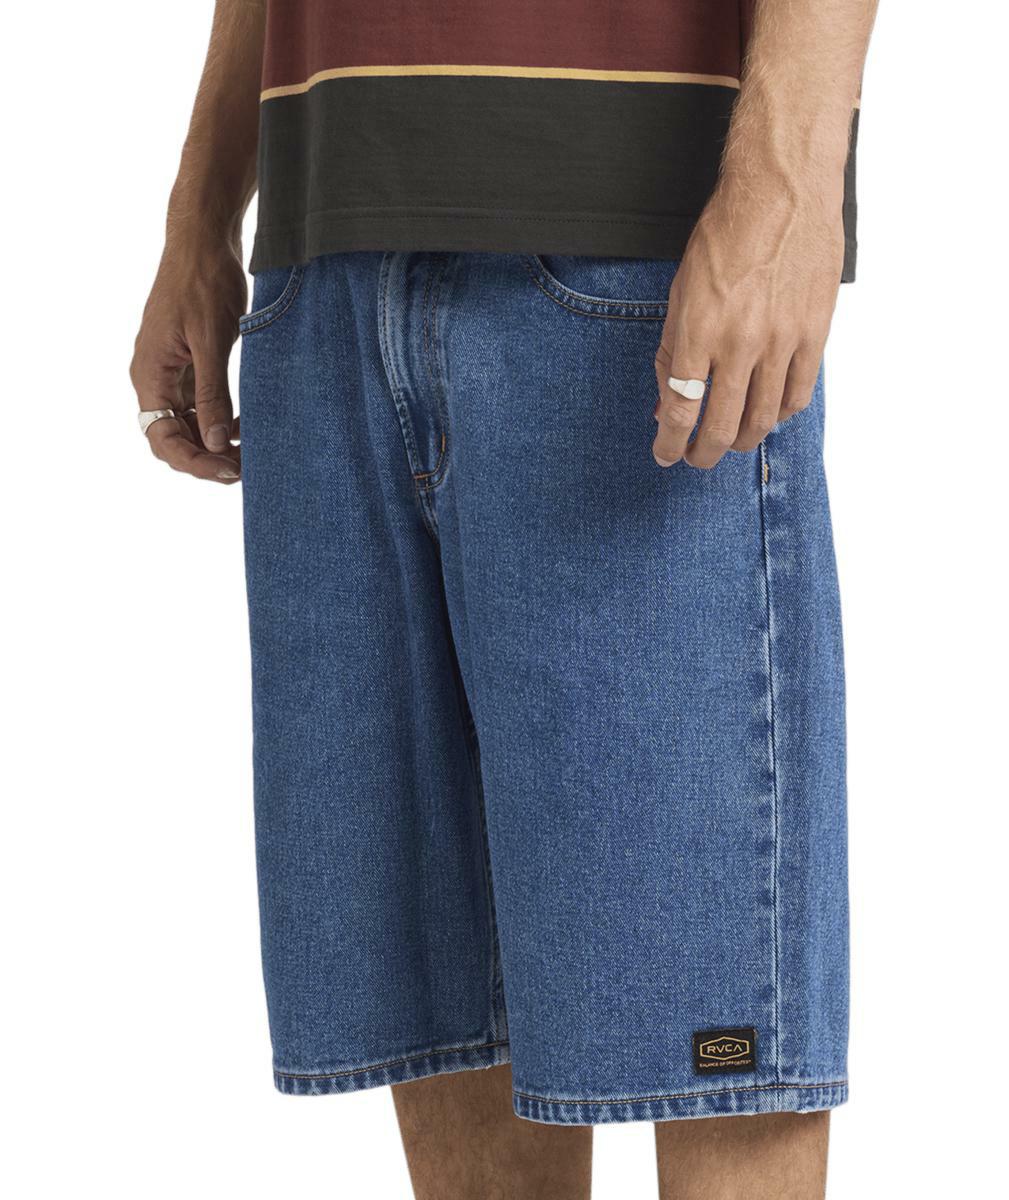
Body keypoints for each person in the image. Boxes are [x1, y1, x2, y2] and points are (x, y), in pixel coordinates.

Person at [131, 2, 877, 1196]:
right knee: (444, 1017)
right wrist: (204, 206)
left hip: (632, 227)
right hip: (328, 249)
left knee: (717, 1047)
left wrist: (789, 183)